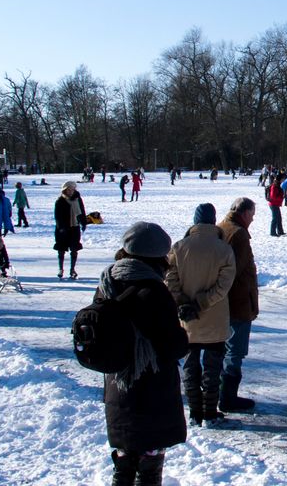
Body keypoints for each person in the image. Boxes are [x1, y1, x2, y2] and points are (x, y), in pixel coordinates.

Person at [98, 221, 189, 485]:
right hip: (151, 391)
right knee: (149, 465)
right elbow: (172, 346)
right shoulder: (153, 290)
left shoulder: (107, 281)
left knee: (124, 462)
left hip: (117, 384)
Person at [165, 203, 237, 427]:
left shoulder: (178, 247)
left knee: (190, 366)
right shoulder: (224, 249)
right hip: (214, 318)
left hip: (187, 320)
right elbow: (224, 285)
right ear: (213, 221)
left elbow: (170, 280)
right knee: (213, 369)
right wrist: (202, 302)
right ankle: (209, 411)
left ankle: (195, 412)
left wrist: (184, 304)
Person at [216, 198, 260, 411]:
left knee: (222, 348)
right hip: (238, 301)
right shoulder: (239, 234)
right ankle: (227, 397)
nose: (253, 219)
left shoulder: (221, 227)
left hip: (224, 302)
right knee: (235, 350)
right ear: (244, 213)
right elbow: (234, 269)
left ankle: (218, 393)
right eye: (252, 214)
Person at [53, 181, 87, 280]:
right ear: (65, 190)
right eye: (68, 190)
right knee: (61, 249)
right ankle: (61, 268)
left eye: (72, 189)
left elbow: (82, 211)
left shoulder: (78, 199)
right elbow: (57, 216)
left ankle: (72, 269)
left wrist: (83, 222)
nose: (70, 191)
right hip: (63, 228)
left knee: (74, 249)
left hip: (74, 227)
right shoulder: (60, 201)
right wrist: (61, 227)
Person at [266, 172, 286, 237]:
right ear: (280, 179)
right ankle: (272, 232)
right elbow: (273, 196)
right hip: (273, 204)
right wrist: (281, 197)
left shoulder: (277, 185)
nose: (284, 180)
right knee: (275, 218)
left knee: (279, 218)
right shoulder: (274, 186)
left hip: (275, 204)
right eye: (283, 179)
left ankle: (280, 231)